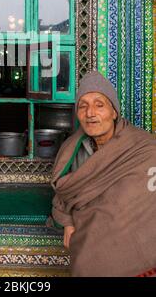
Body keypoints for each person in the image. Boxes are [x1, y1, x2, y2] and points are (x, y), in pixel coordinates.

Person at [50, 71, 156, 277]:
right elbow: (65, 193)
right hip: (90, 246)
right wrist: (68, 223)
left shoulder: (145, 149)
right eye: (83, 106)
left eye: (99, 105)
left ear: (114, 112)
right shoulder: (72, 150)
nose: (90, 113)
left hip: (139, 254)